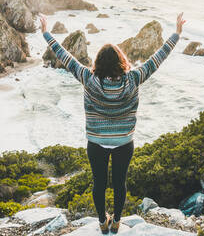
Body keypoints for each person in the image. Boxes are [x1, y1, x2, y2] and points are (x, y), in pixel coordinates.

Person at [40, 13, 186, 234]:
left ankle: (101, 222)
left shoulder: (87, 78)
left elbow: (65, 56)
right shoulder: (134, 78)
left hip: (96, 142)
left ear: (98, 62)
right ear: (121, 61)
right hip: (124, 142)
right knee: (120, 184)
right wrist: (176, 33)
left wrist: (45, 33)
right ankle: (116, 221)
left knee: (98, 184)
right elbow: (158, 58)